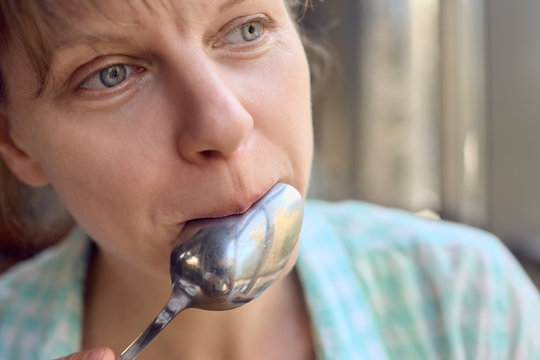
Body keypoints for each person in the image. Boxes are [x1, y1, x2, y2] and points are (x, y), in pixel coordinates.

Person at [0, 1, 539, 359]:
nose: (226, 125)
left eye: (247, 29)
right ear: (17, 143)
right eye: (110, 74)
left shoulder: (467, 297)